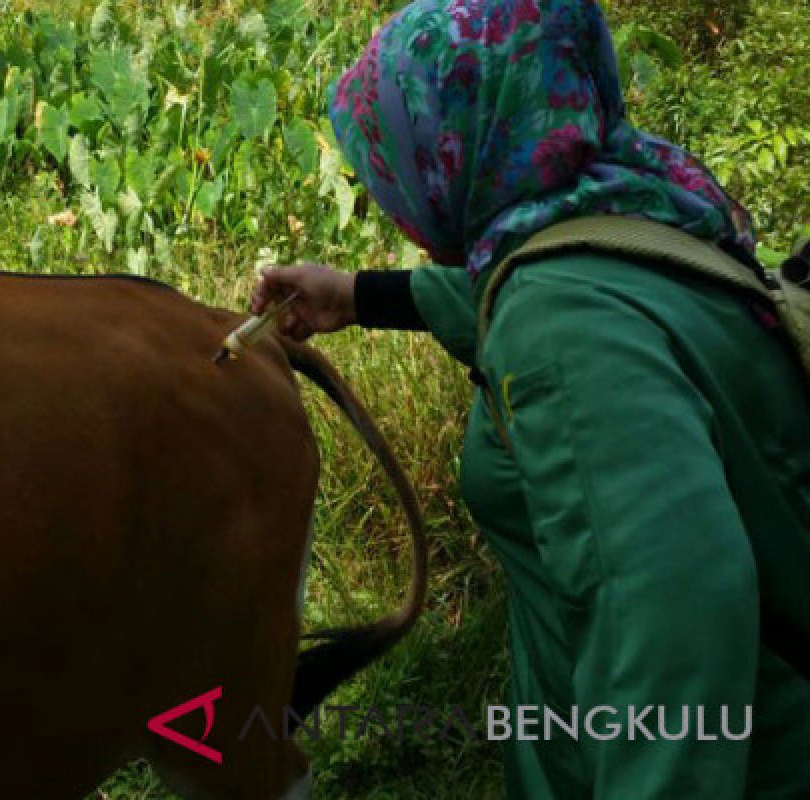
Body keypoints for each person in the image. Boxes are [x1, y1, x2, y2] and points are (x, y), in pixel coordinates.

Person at [250, 0, 810, 797]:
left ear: (456, 149)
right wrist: (360, 296)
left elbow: (671, 632)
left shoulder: (557, 326)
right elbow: (575, 296)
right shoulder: (637, 205)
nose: (387, 194)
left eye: (396, 159)